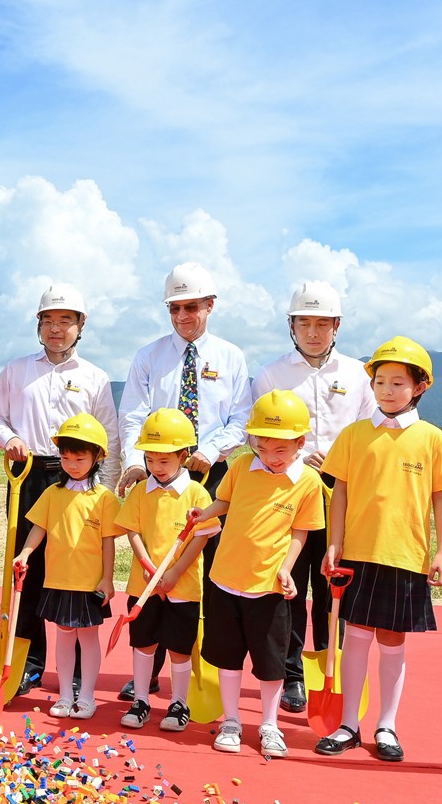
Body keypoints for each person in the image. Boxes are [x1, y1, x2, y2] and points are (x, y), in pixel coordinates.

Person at [314, 337, 442, 763]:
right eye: (379, 381)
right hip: (358, 554)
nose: (386, 390)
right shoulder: (354, 435)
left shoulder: (433, 440)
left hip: (406, 555)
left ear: (419, 387)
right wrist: (335, 543)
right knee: (356, 637)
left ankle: (387, 726)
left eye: (397, 382)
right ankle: (348, 724)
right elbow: (339, 494)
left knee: (392, 640)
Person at [115, 262, 252, 702]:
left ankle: (202, 670)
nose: (181, 317)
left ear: (210, 305)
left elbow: (241, 419)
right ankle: (147, 670)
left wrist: (208, 453)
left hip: (212, 474)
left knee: (207, 572)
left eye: (191, 307)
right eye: (174, 309)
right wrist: (137, 462)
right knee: (157, 563)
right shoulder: (149, 356)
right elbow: (133, 414)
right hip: (158, 473)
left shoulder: (231, 357)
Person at [0, 284, 120, 697]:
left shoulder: (94, 377)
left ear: (81, 326)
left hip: (80, 480)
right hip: (27, 475)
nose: (56, 329)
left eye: (66, 321)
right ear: (38, 325)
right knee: (29, 566)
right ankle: (28, 661)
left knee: (76, 567)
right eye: (48, 320)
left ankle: (77, 666)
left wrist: (105, 492)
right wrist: (8, 438)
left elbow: (109, 436)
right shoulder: (16, 370)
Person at [250, 282, 377, 713]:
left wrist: (340, 460)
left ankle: (331, 670)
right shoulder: (270, 375)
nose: (314, 331)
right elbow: (258, 439)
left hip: (341, 496)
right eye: (305, 322)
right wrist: (300, 457)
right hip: (289, 495)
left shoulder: (358, 375)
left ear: (337, 325)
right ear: (291, 325)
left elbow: (368, 433)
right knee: (289, 586)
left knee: (332, 588)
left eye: (323, 323)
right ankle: (291, 675)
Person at [179, 390, 324, 757]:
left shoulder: (307, 482)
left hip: (269, 586)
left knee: (271, 662)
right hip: (226, 579)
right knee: (227, 658)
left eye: (281, 450)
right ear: (253, 440)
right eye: (263, 447)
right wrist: (205, 513)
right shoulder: (243, 466)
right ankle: (231, 721)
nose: (272, 458)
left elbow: (300, 531)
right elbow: (224, 501)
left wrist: (287, 569)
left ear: (300, 443)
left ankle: (270, 725)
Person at [112, 408, 219, 733]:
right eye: (151, 460)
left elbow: (200, 539)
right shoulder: (141, 492)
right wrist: (148, 566)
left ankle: (179, 703)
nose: (156, 468)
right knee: (143, 643)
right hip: (143, 586)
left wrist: (173, 574)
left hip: (182, 586)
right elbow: (132, 531)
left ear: (183, 455)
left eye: (164, 461)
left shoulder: (198, 493)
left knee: (179, 647)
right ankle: (141, 700)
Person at [12, 414, 119, 720]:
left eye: (80, 458)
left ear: (97, 457)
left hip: (90, 583)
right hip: (57, 579)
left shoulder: (104, 498)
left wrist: (108, 579)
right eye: (66, 457)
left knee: (87, 638)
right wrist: (25, 554)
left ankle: (86, 696)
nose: (71, 464)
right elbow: (38, 528)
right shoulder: (52, 493)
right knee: (63, 636)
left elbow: (108, 542)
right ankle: (63, 695)